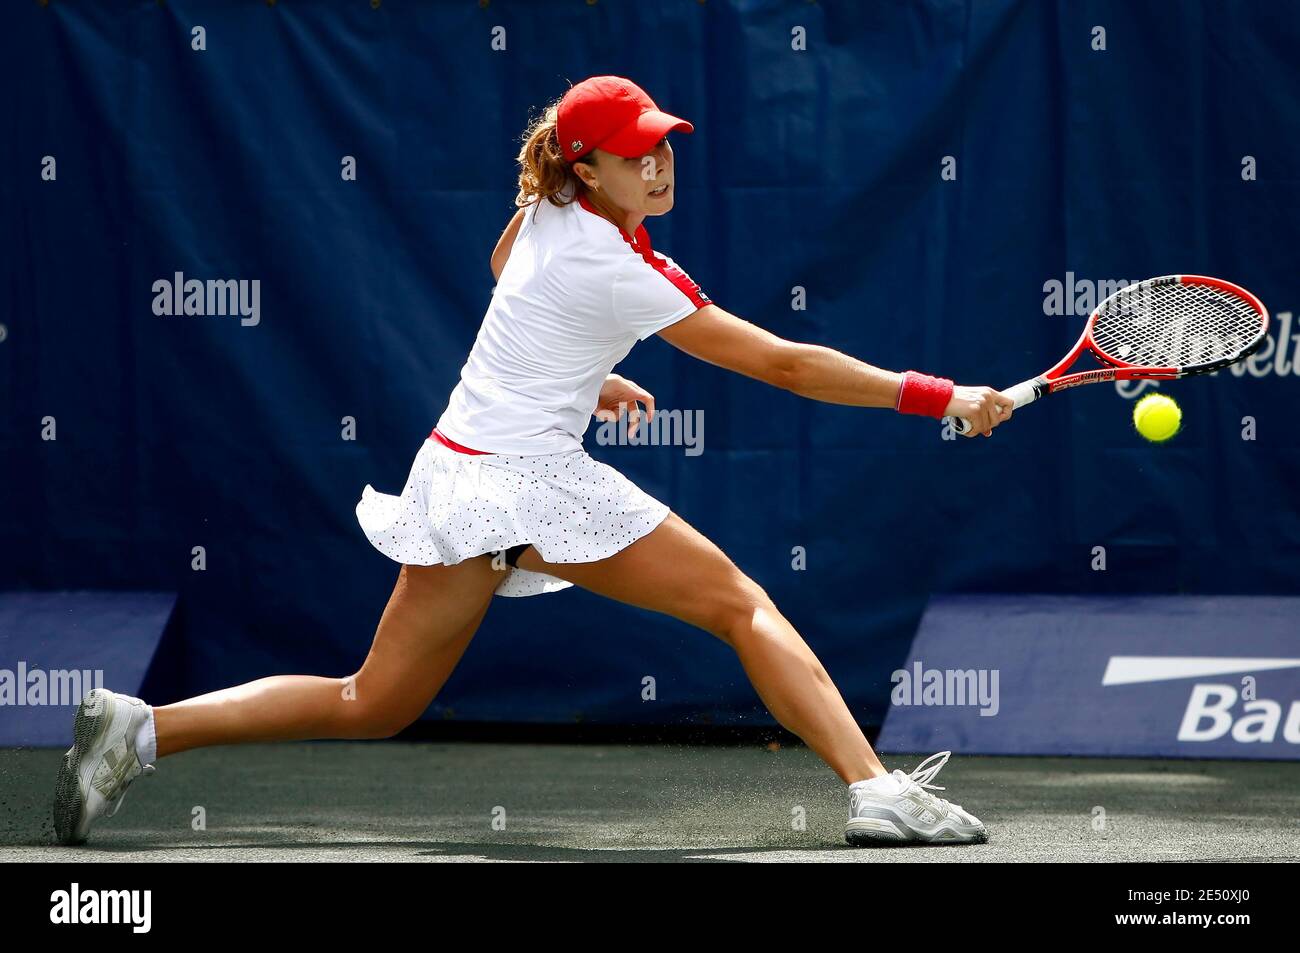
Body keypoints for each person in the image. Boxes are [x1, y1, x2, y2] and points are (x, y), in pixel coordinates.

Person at [54, 75, 1012, 849]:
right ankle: (875, 790)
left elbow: (508, 279)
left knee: (372, 700)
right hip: (525, 482)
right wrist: (944, 395)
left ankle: (140, 727)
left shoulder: (545, 211)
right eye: (636, 151)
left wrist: (582, 377)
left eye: (665, 143)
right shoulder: (620, 266)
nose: (658, 160)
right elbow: (785, 366)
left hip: (458, 474)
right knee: (742, 604)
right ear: (587, 167)